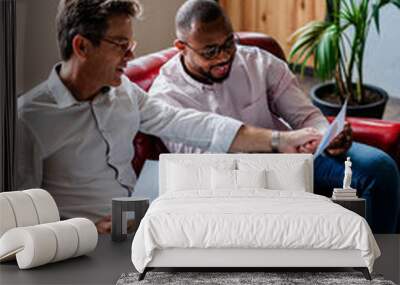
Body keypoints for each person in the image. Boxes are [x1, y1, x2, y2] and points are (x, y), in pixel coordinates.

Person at [16, 0, 321, 234]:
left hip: (144, 222)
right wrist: (79, 233)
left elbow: (190, 124)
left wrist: (280, 139)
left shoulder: (125, 93)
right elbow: (16, 219)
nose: (130, 57)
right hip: (88, 246)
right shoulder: (28, 119)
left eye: (130, 45)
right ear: (82, 46)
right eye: (121, 45)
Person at [149, 0, 400, 233]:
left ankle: (375, 268)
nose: (224, 56)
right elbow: (203, 166)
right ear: (181, 47)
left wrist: (326, 136)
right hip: (235, 183)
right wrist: (276, 148)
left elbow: (306, 115)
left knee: (379, 169)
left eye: (228, 44)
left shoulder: (257, 62)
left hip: (295, 155)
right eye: (210, 52)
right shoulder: (166, 98)